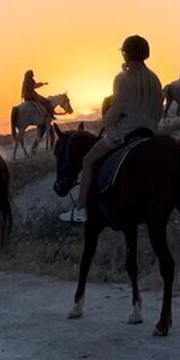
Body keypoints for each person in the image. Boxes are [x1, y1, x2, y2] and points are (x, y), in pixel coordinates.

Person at [72, 35, 163, 222]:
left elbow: (117, 109)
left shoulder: (122, 77)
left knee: (89, 160)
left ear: (126, 54)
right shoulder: (155, 79)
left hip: (125, 132)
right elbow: (158, 110)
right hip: (150, 133)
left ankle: (81, 207)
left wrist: (108, 122)